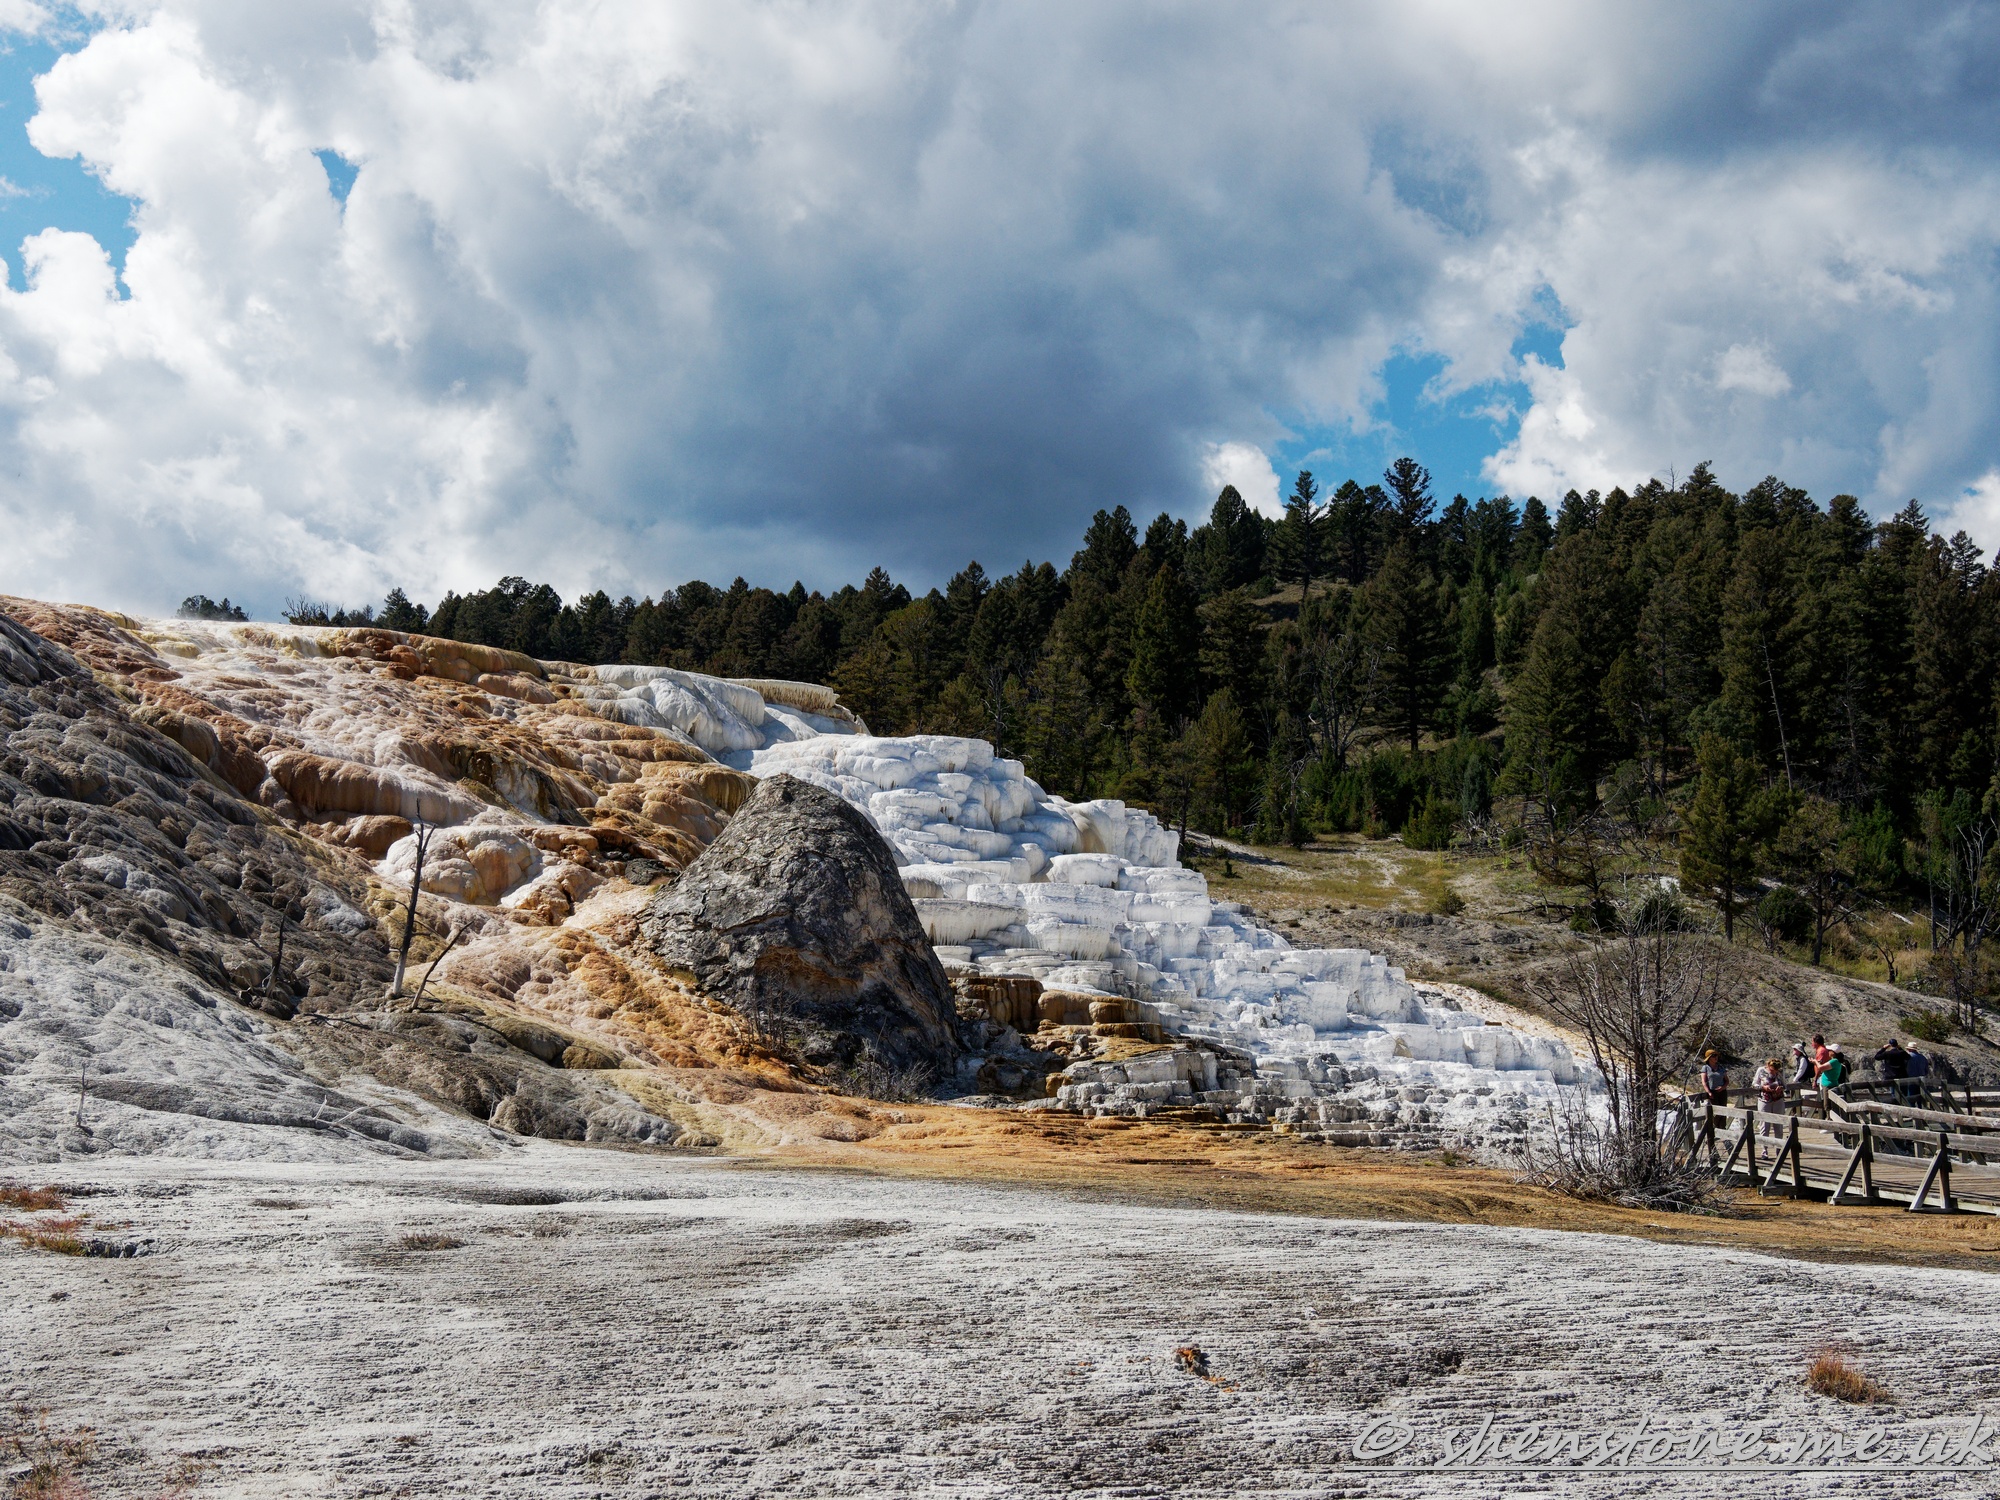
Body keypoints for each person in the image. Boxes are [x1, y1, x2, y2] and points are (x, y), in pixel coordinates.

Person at [1752, 1056, 1788, 1138]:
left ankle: (1779, 1148)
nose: (1774, 1072)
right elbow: (1754, 1084)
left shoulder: (1780, 1071)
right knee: (1764, 1124)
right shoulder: (1761, 1070)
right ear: (1768, 1066)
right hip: (1764, 1099)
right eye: (1772, 1070)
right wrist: (1763, 1087)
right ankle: (1764, 1149)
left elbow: (1785, 1085)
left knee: (1778, 1124)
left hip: (1778, 1100)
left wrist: (1781, 1088)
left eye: (1776, 1070)